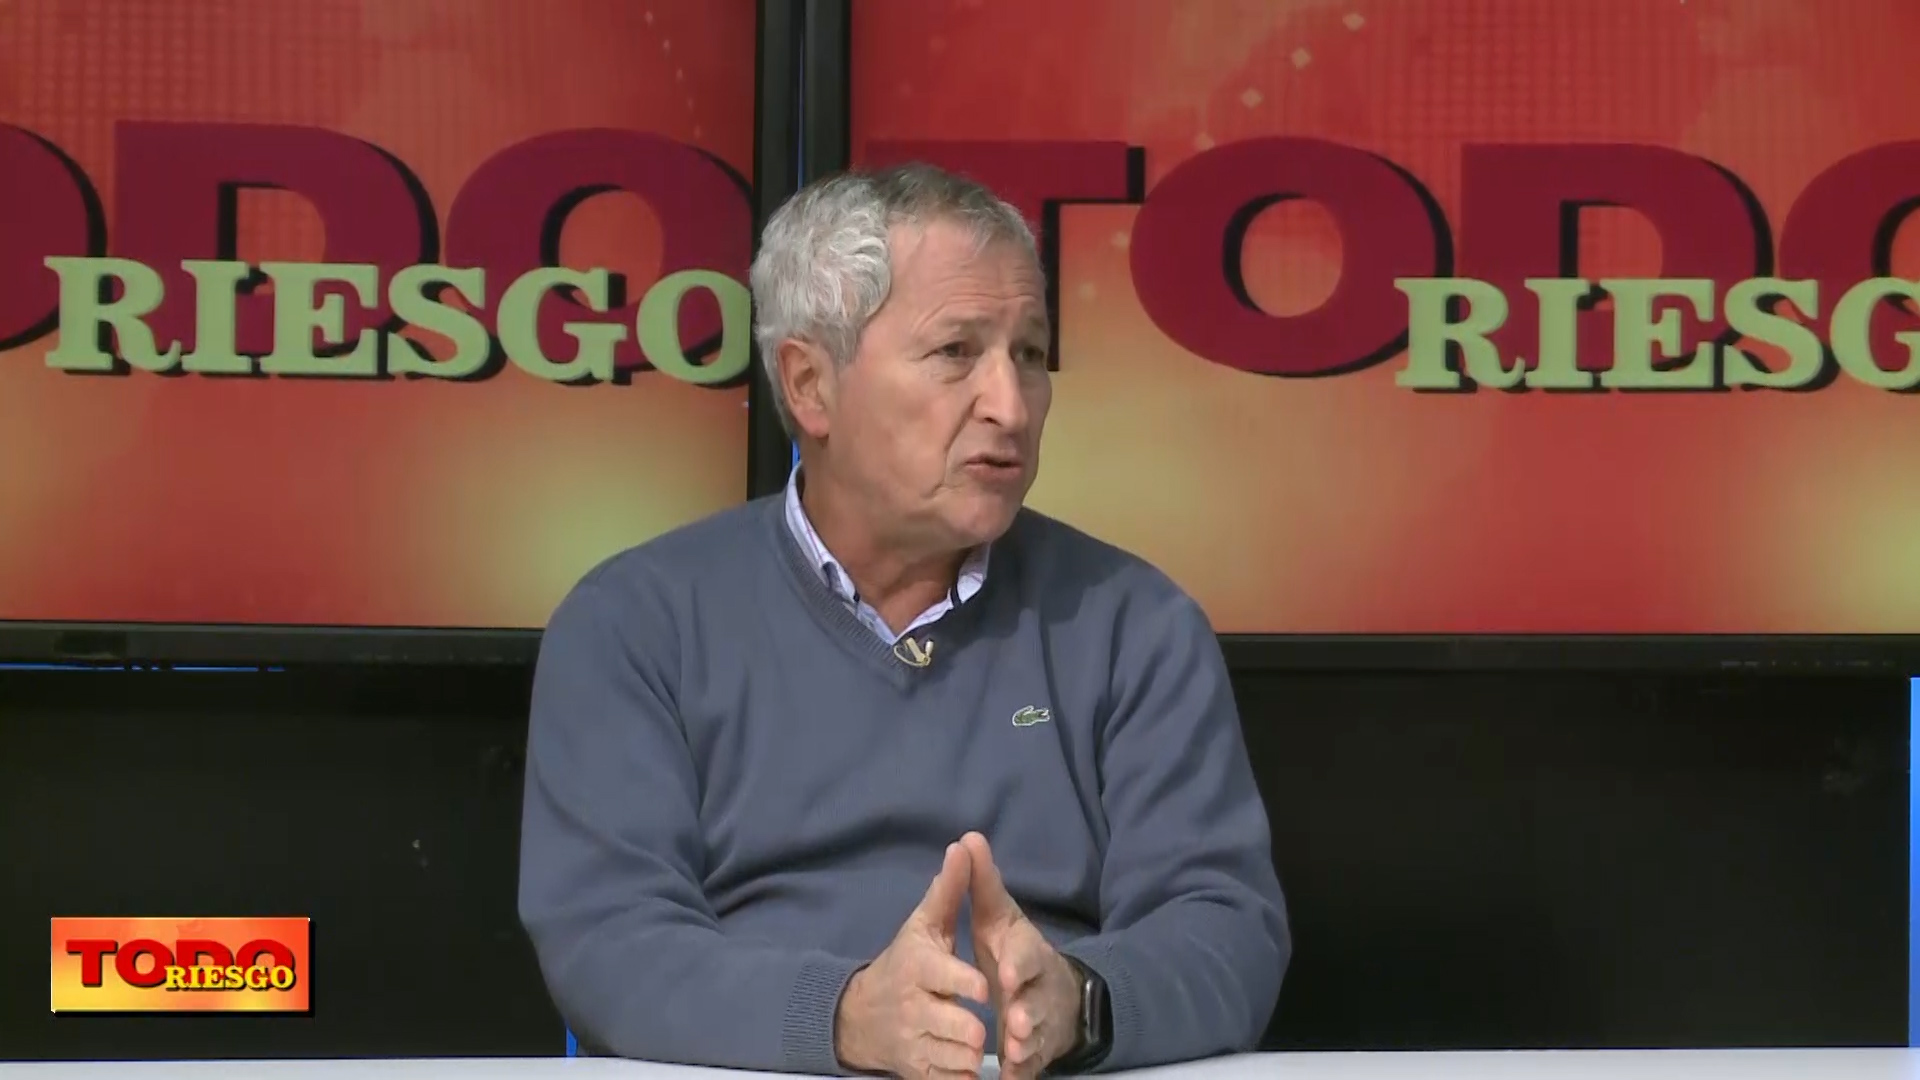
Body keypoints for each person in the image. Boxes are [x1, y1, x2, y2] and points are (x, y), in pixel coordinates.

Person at [518, 163, 1290, 1078]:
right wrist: (843, 1017)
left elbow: (1226, 927)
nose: (1011, 405)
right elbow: (607, 942)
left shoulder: (1136, 626)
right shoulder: (636, 626)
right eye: (957, 351)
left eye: (1030, 354)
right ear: (810, 384)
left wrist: (1082, 1000)